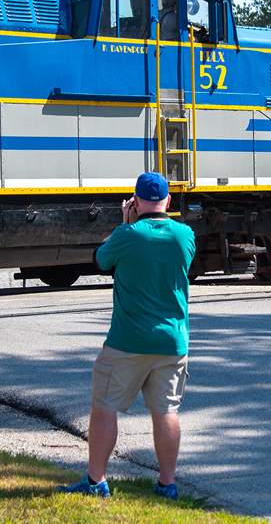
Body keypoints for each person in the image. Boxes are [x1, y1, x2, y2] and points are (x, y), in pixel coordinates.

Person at [57, 172, 196, 500]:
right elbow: (181, 263)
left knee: (104, 406)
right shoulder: (185, 235)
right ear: (169, 202)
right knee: (166, 412)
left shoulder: (126, 234)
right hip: (172, 341)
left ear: (134, 202)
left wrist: (124, 222)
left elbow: (101, 260)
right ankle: (167, 484)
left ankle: (96, 481)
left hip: (127, 341)